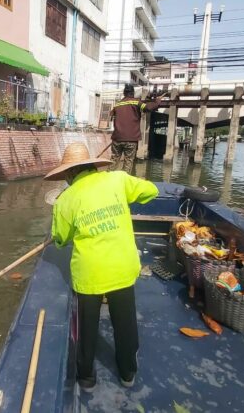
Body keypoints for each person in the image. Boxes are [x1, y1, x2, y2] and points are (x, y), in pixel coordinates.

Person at [45, 142, 159, 392]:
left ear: (69, 174)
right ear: (92, 166)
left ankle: (86, 378)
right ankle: (128, 372)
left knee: (86, 327)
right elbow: (150, 191)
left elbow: (62, 240)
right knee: (125, 321)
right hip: (123, 267)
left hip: (89, 274)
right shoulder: (118, 180)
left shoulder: (66, 200)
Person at [109, 84, 162, 174]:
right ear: (133, 93)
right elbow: (148, 108)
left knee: (113, 160)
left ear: (124, 93)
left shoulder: (117, 104)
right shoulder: (136, 102)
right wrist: (157, 102)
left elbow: (111, 115)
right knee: (128, 162)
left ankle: (107, 179)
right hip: (130, 139)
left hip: (117, 139)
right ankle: (124, 182)